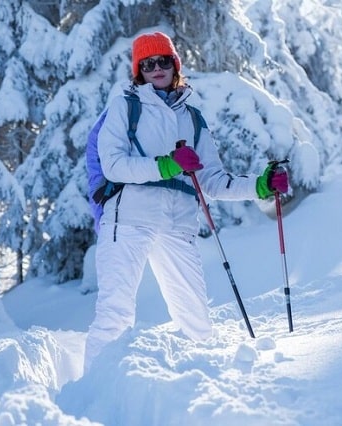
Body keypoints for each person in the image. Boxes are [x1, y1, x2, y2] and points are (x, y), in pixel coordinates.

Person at [84, 31, 288, 372]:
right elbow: (113, 164)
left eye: (164, 60)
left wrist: (261, 186)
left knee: (196, 318)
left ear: (175, 64)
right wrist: (166, 163)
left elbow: (213, 180)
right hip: (129, 216)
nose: (157, 67)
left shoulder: (192, 117)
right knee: (115, 313)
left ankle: (205, 388)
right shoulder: (124, 106)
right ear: (138, 71)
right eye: (147, 63)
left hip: (178, 224)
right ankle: (91, 389)